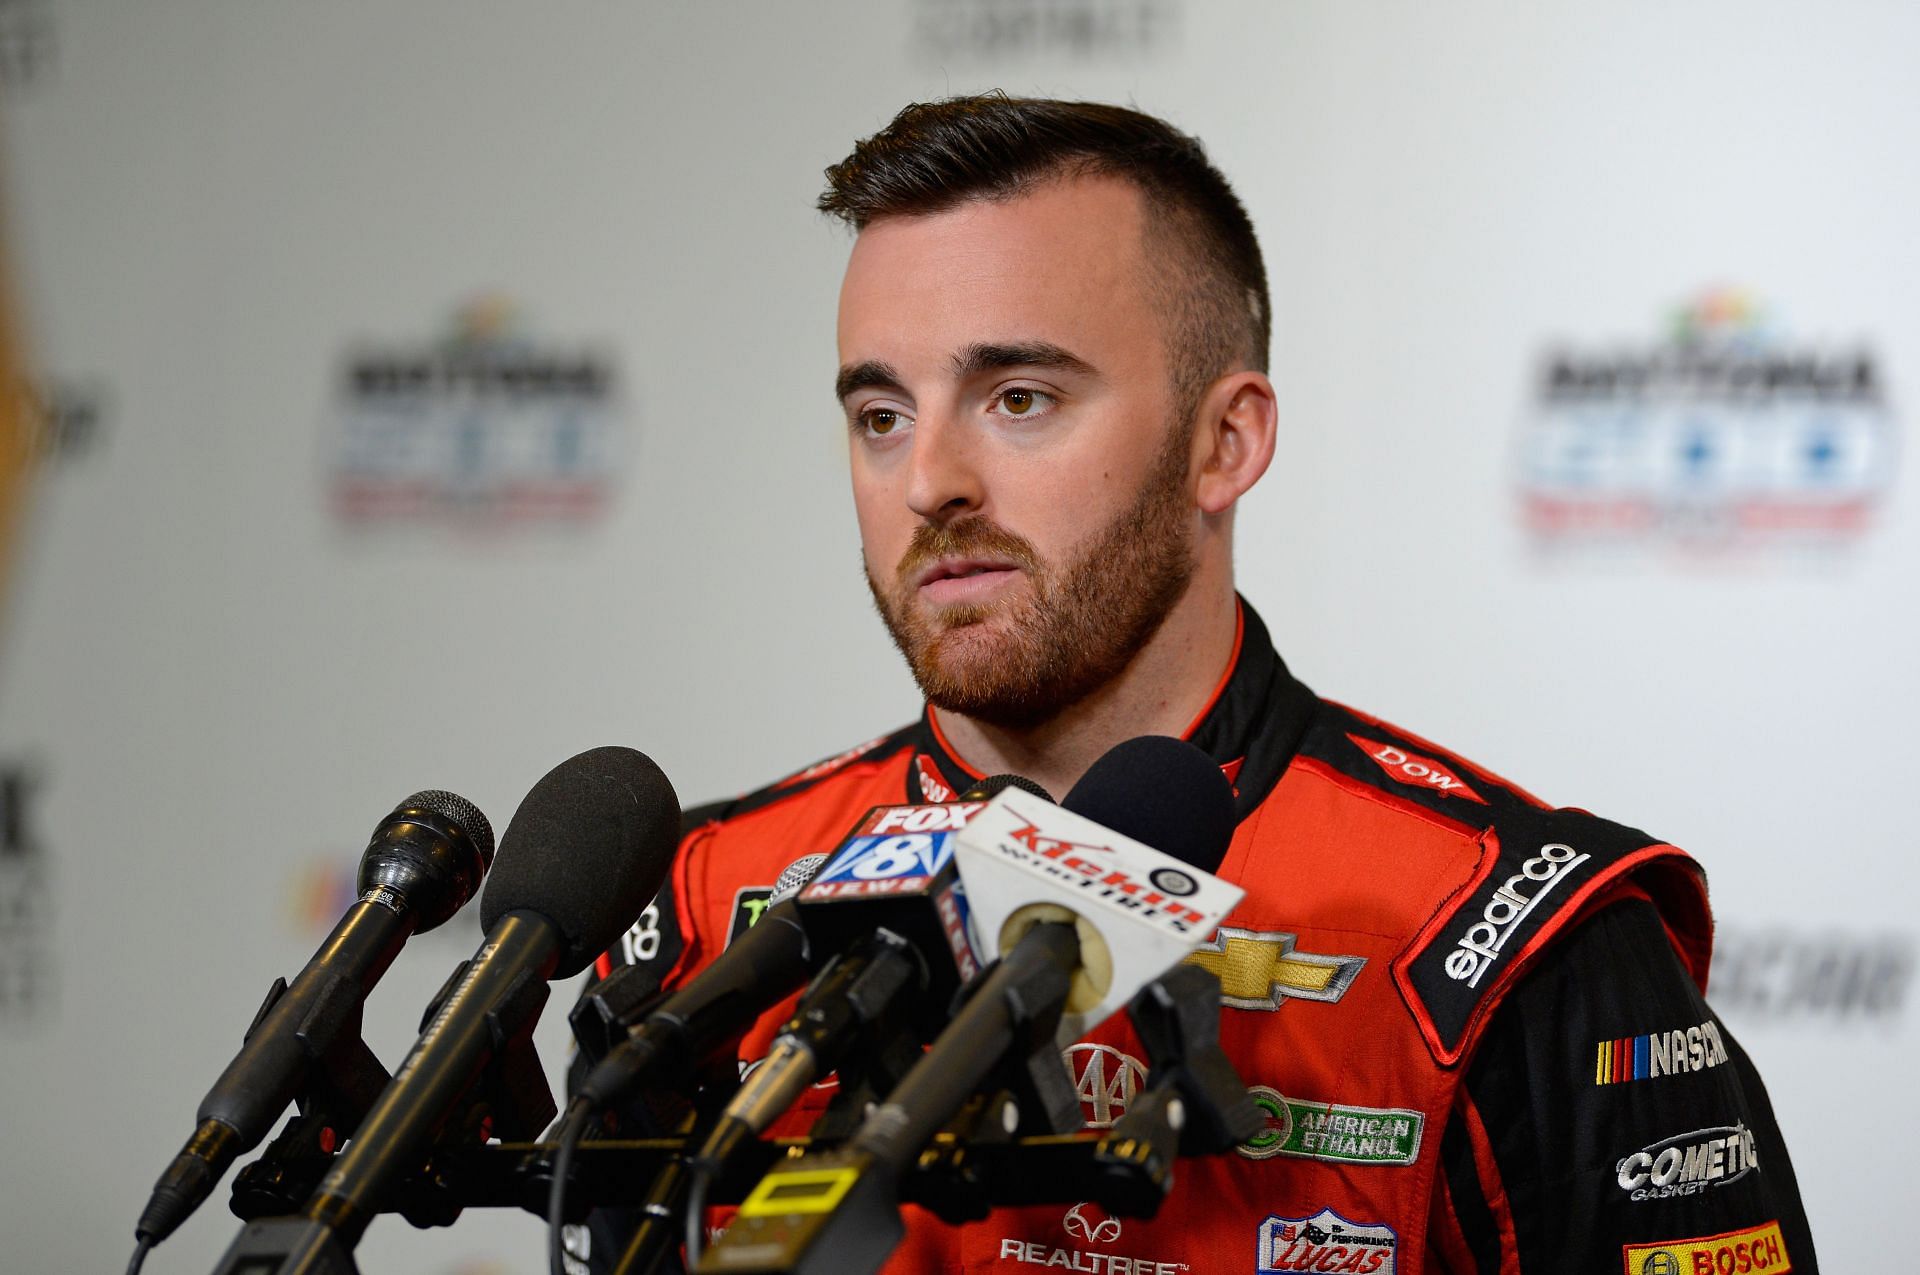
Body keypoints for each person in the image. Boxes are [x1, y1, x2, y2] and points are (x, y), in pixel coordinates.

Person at [579, 94, 1816, 1274]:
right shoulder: (705, 906)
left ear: (1225, 443)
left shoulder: (1512, 940)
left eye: (1018, 399)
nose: (928, 483)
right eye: (882, 413)